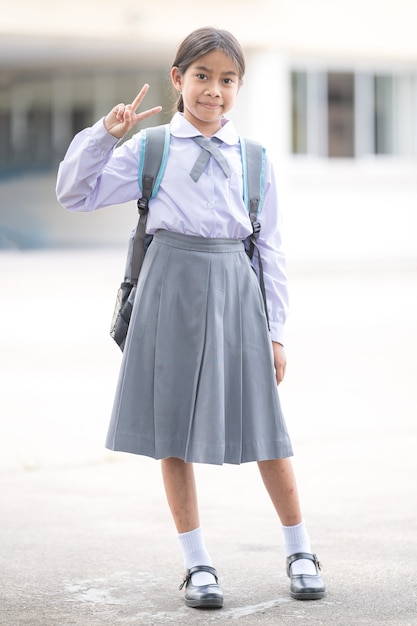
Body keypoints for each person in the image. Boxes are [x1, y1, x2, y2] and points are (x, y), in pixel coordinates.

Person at [56, 26, 325, 610]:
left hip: (236, 290)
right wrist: (105, 135)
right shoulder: (151, 148)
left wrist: (276, 330)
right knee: (172, 428)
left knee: (266, 427)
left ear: (238, 88)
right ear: (178, 80)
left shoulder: (254, 160)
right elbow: (75, 194)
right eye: (202, 76)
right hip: (168, 290)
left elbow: (270, 249)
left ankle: (300, 548)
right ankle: (197, 562)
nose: (214, 91)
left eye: (227, 80)